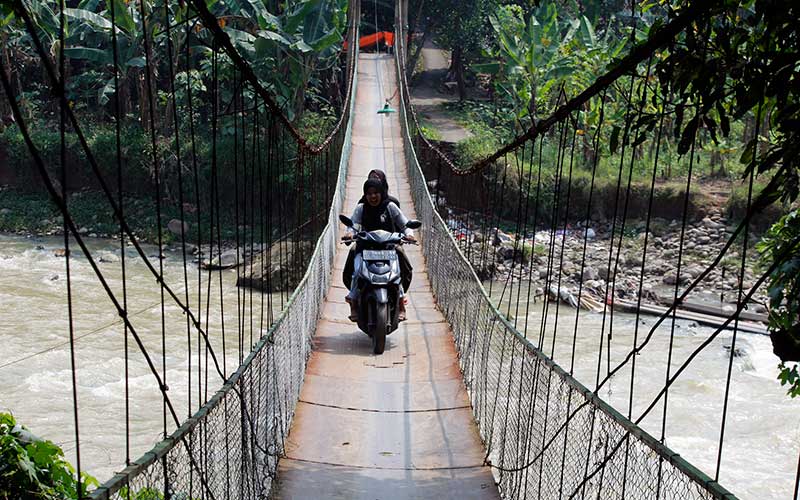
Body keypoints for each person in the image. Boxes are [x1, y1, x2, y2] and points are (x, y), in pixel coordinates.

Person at [344, 178, 416, 322]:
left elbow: (404, 223)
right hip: (366, 246)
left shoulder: (390, 206)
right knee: (357, 269)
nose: (373, 196)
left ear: (382, 192)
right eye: (369, 193)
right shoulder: (361, 208)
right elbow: (354, 224)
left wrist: (409, 234)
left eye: (376, 192)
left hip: (388, 246)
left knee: (397, 271)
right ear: (365, 194)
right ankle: (353, 301)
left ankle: (401, 303)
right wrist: (349, 233)